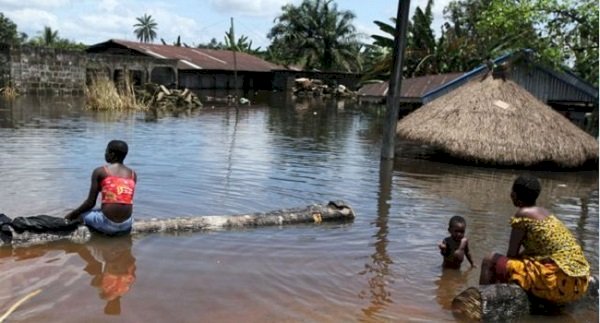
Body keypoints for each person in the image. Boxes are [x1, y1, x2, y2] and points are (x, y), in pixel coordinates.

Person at [479, 174, 590, 304]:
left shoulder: (522, 215)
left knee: (489, 260)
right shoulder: (546, 213)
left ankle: (482, 303)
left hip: (555, 283)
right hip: (578, 283)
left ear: (514, 195)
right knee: (521, 261)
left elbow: (511, 254)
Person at [65, 140, 137, 235]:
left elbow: (90, 203)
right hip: (127, 224)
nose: (105, 154)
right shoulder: (132, 174)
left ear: (112, 154)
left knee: (79, 215)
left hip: (107, 224)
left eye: (106, 151)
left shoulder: (100, 172)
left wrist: (71, 215)